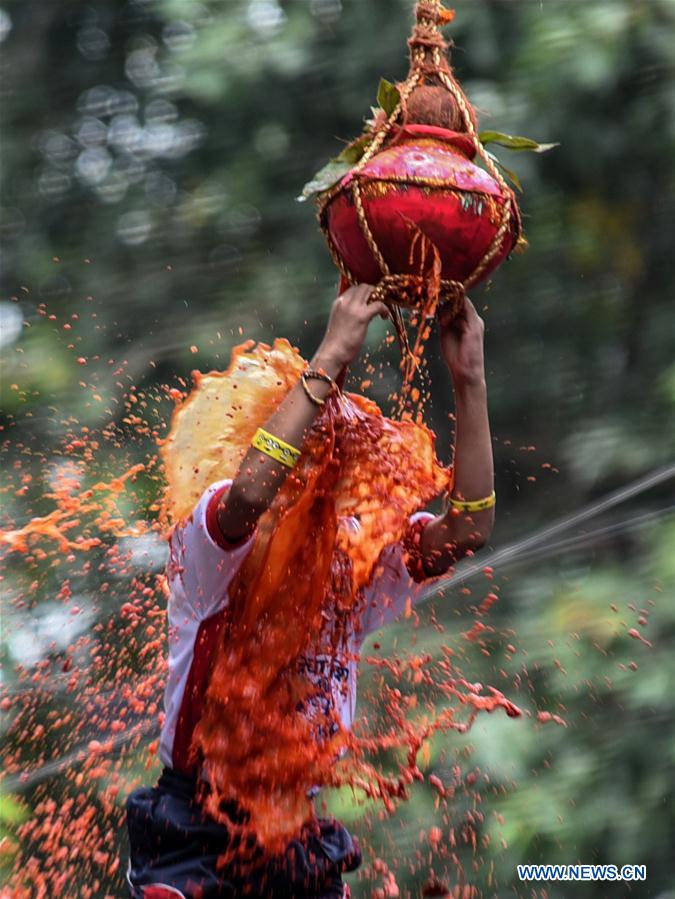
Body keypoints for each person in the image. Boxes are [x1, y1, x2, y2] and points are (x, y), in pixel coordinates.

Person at [126, 284, 496, 899]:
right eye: (307, 443)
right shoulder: (211, 544)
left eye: (333, 451)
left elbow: (469, 531)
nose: (323, 459)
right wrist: (328, 360)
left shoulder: (353, 558)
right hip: (195, 833)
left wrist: (471, 382)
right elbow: (248, 497)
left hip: (300, 834)